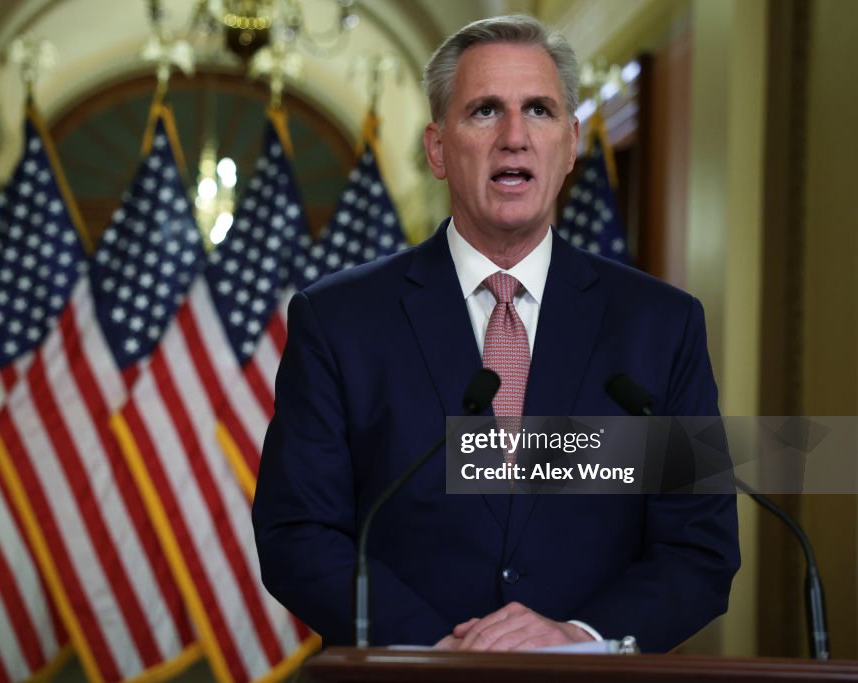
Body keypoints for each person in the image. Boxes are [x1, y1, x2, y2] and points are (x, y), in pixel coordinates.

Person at [252, 14, 739, 653]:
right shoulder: (339, 320)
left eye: (538, 110)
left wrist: (577, 637)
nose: (514, 137)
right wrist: (437, 651)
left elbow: (697, 544)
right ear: (436, 149)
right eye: (485, 111)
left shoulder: (660, 326)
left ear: (569, 145)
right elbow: (299, 530)